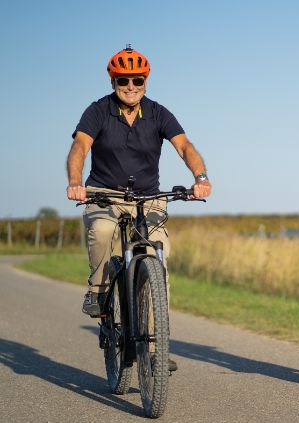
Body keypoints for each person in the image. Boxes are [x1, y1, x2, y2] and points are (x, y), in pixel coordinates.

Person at [66, 45, 212, 370]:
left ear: (146, 80)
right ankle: (99, 289)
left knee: (158, 255)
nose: (130, 86)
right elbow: (80, 146)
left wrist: (200, 176)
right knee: (103, 229)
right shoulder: (98, 111)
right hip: (104, 194)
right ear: (113, 81)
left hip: (147, 197)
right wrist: (76, 181)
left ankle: (156, 347)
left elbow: (184, 146)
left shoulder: (159, 113)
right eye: (123, 81)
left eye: (136, 80)